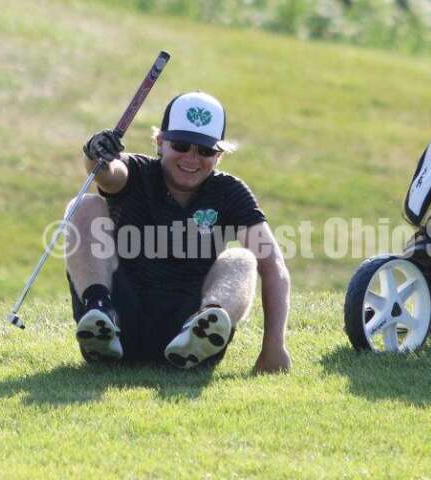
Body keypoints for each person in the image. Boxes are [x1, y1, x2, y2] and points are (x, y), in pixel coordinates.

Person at [65, 91, 291, 373]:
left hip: (186, 328)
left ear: (219, 156)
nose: (192, 158)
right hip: (122, 322)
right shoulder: (135, 171)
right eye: (182, 145)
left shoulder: (230, 192)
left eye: (205, 150)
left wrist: (273, 347)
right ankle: (98, 313)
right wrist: (94, 155)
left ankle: (206, 325)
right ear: (160, 143)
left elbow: (274, 267)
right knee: (84, 205)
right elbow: (108, 174)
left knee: (242, 259)